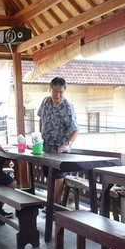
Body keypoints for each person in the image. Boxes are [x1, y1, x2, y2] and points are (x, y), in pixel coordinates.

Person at [38, 76, 79, 205]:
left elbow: (76, 130)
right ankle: (50, 204)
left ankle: (55, 206)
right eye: (54, 91)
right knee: (48, 176)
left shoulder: (68, 107)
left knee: (58, 177)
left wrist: (67, 144)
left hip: (60, 150)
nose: (57, 95)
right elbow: (41, 118)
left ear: (64, 91)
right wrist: (40, 135)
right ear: (50, 90)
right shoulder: (45, 102)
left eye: (61, 92)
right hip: (46, 148)